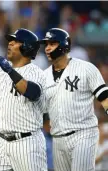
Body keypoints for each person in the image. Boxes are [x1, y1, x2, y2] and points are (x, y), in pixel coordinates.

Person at [0, 3, 47, 171]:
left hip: (27, 142)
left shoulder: (36, 72)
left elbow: (32, 92)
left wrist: (10, 70)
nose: (10, 44)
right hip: (0, 140)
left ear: (26, 47)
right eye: (10, 41)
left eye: (15, 42)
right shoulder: (1, 67)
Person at [39, 28, 108, 171]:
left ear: (64, 45)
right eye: (46, 44)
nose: (47, 48)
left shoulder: (86, 68)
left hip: (83, 134)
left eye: (52, 43)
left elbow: (104, 97)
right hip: (57, 138)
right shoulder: (43, 76)